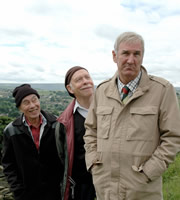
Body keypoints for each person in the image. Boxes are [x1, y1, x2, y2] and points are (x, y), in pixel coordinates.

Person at [84, 32, 180, 200]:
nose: (131, 59)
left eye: (137, 54)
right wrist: (93, 163)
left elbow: (173, 137)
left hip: (143, 191)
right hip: (105, 189)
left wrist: (149, 172)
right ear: (114, 56)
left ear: (143, 56)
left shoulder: (162, 90)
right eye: (125, 53)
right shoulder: (102, 91)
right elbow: (91, 130)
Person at [1, 84, 62, 200]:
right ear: (19, 108)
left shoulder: (57, 124)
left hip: (55, 193)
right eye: (26, 102)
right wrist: (17, 190)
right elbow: (8, 164)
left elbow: (66, 157)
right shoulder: (11, 130)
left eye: (34, 100)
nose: (32, 105)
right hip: (26, 194)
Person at [55, 66, 96, 200]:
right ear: (70, 88)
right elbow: (62, 157)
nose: (85, 81)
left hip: (112, 182)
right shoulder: (64, 122)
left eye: (87, 77)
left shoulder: (110, 109)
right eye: (79, 80)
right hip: (82, 188)